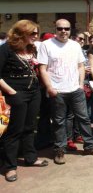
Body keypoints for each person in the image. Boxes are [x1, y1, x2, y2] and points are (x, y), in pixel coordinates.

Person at [38, 19, 93, 165]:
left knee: (84, 118)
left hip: (75, 89)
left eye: (66, 28)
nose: (63, 31)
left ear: (70, 30)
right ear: (55, 29)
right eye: (60, 28)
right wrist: (49, 87)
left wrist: (80, 84)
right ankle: (60, 150)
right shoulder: (46, 45)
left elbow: (81, 66)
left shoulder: (75, 45)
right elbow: (42, 68)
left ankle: (90, 146)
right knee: (59, 122)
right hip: (57, 90)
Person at [0, 20, 48, 182]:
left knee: (30, 126)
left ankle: (30, 157)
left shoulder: (31, 48)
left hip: (34, 91)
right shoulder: (6, 49)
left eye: (37, 33)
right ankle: (10, 166)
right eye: (33, 33)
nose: (36, 36)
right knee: (15, 130)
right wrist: (11, 92)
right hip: (15, 92)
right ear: (21, 33)